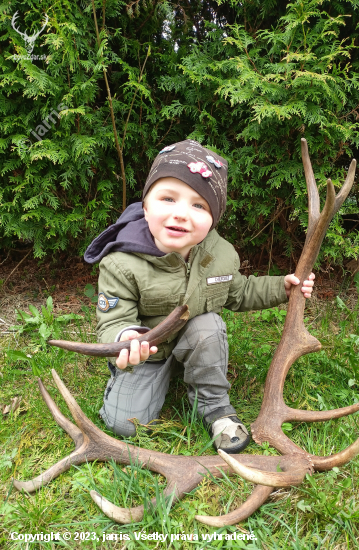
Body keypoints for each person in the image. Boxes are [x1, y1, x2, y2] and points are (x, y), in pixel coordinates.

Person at [84, 139, 315, 453]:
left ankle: (215, 407)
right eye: (168, 198)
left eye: (198, 205)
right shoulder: (120, 262)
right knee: (126, 426)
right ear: (146, 205)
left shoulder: (221, 254)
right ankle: (147, 378)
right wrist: (126, 339)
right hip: (147, 354)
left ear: (214, 218)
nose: (181, 214)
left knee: (208, 325)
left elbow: (239, 292)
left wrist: (282, 288)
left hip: (196, 337)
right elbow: (114, 319)